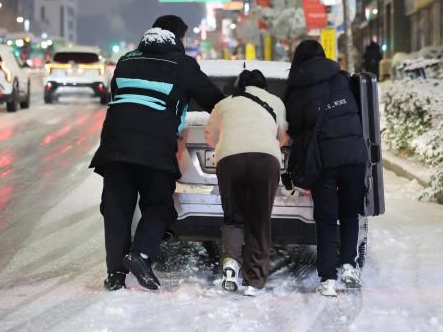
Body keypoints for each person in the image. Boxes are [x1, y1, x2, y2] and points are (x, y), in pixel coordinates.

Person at [90, 15, 224, 291]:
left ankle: (115, 275)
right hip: (155, 147)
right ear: (177, 37)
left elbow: (117, 97)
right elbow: (214, 101)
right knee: (159, 205)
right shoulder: (183, 65)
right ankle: (140, 255)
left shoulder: (126, 60)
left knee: (116, 210)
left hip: (115, 145)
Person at [284, 39, 368, 297]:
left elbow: (295, 128)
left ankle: (328, 279)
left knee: (326, 219)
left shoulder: (296, 88)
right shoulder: (342, 78)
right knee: (351, 213)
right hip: (354, 154)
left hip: (323, 159)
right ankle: (349, 266)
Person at [204, 70, 288, 297]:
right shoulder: (275, 102)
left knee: (234, 217)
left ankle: (231, 263)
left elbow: (210, 135)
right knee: (259, 222)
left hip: (230, 160)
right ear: (264, 85)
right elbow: (283, 135)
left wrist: (228, 143)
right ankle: (254, 282)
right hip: (265, 160)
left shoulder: (224, 104)